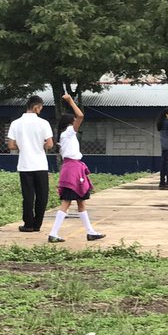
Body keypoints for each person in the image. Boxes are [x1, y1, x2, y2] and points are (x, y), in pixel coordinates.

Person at [47, 94, 105, 244]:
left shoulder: (64, 135)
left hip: (72, 167)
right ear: (70, 123)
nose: (76, 123)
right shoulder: (68, 132)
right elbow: (80, 115)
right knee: (67, 202)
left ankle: (90, 232)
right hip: (73, 169)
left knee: (80, 202)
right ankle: (53, 233)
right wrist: (70, 101)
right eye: (73, 122)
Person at [6, 95, 54, 232]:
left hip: (25, 165)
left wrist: (22, 146)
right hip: (40, 165)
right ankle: (37, 224)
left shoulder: (16, 123)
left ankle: (28, 224)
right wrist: (40, 144)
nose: (41, 110)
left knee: (28, 196)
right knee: (42, 195)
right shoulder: (43, 123)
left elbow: (11, 145)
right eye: (40, 108)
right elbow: (50, 144)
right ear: (35, 107)